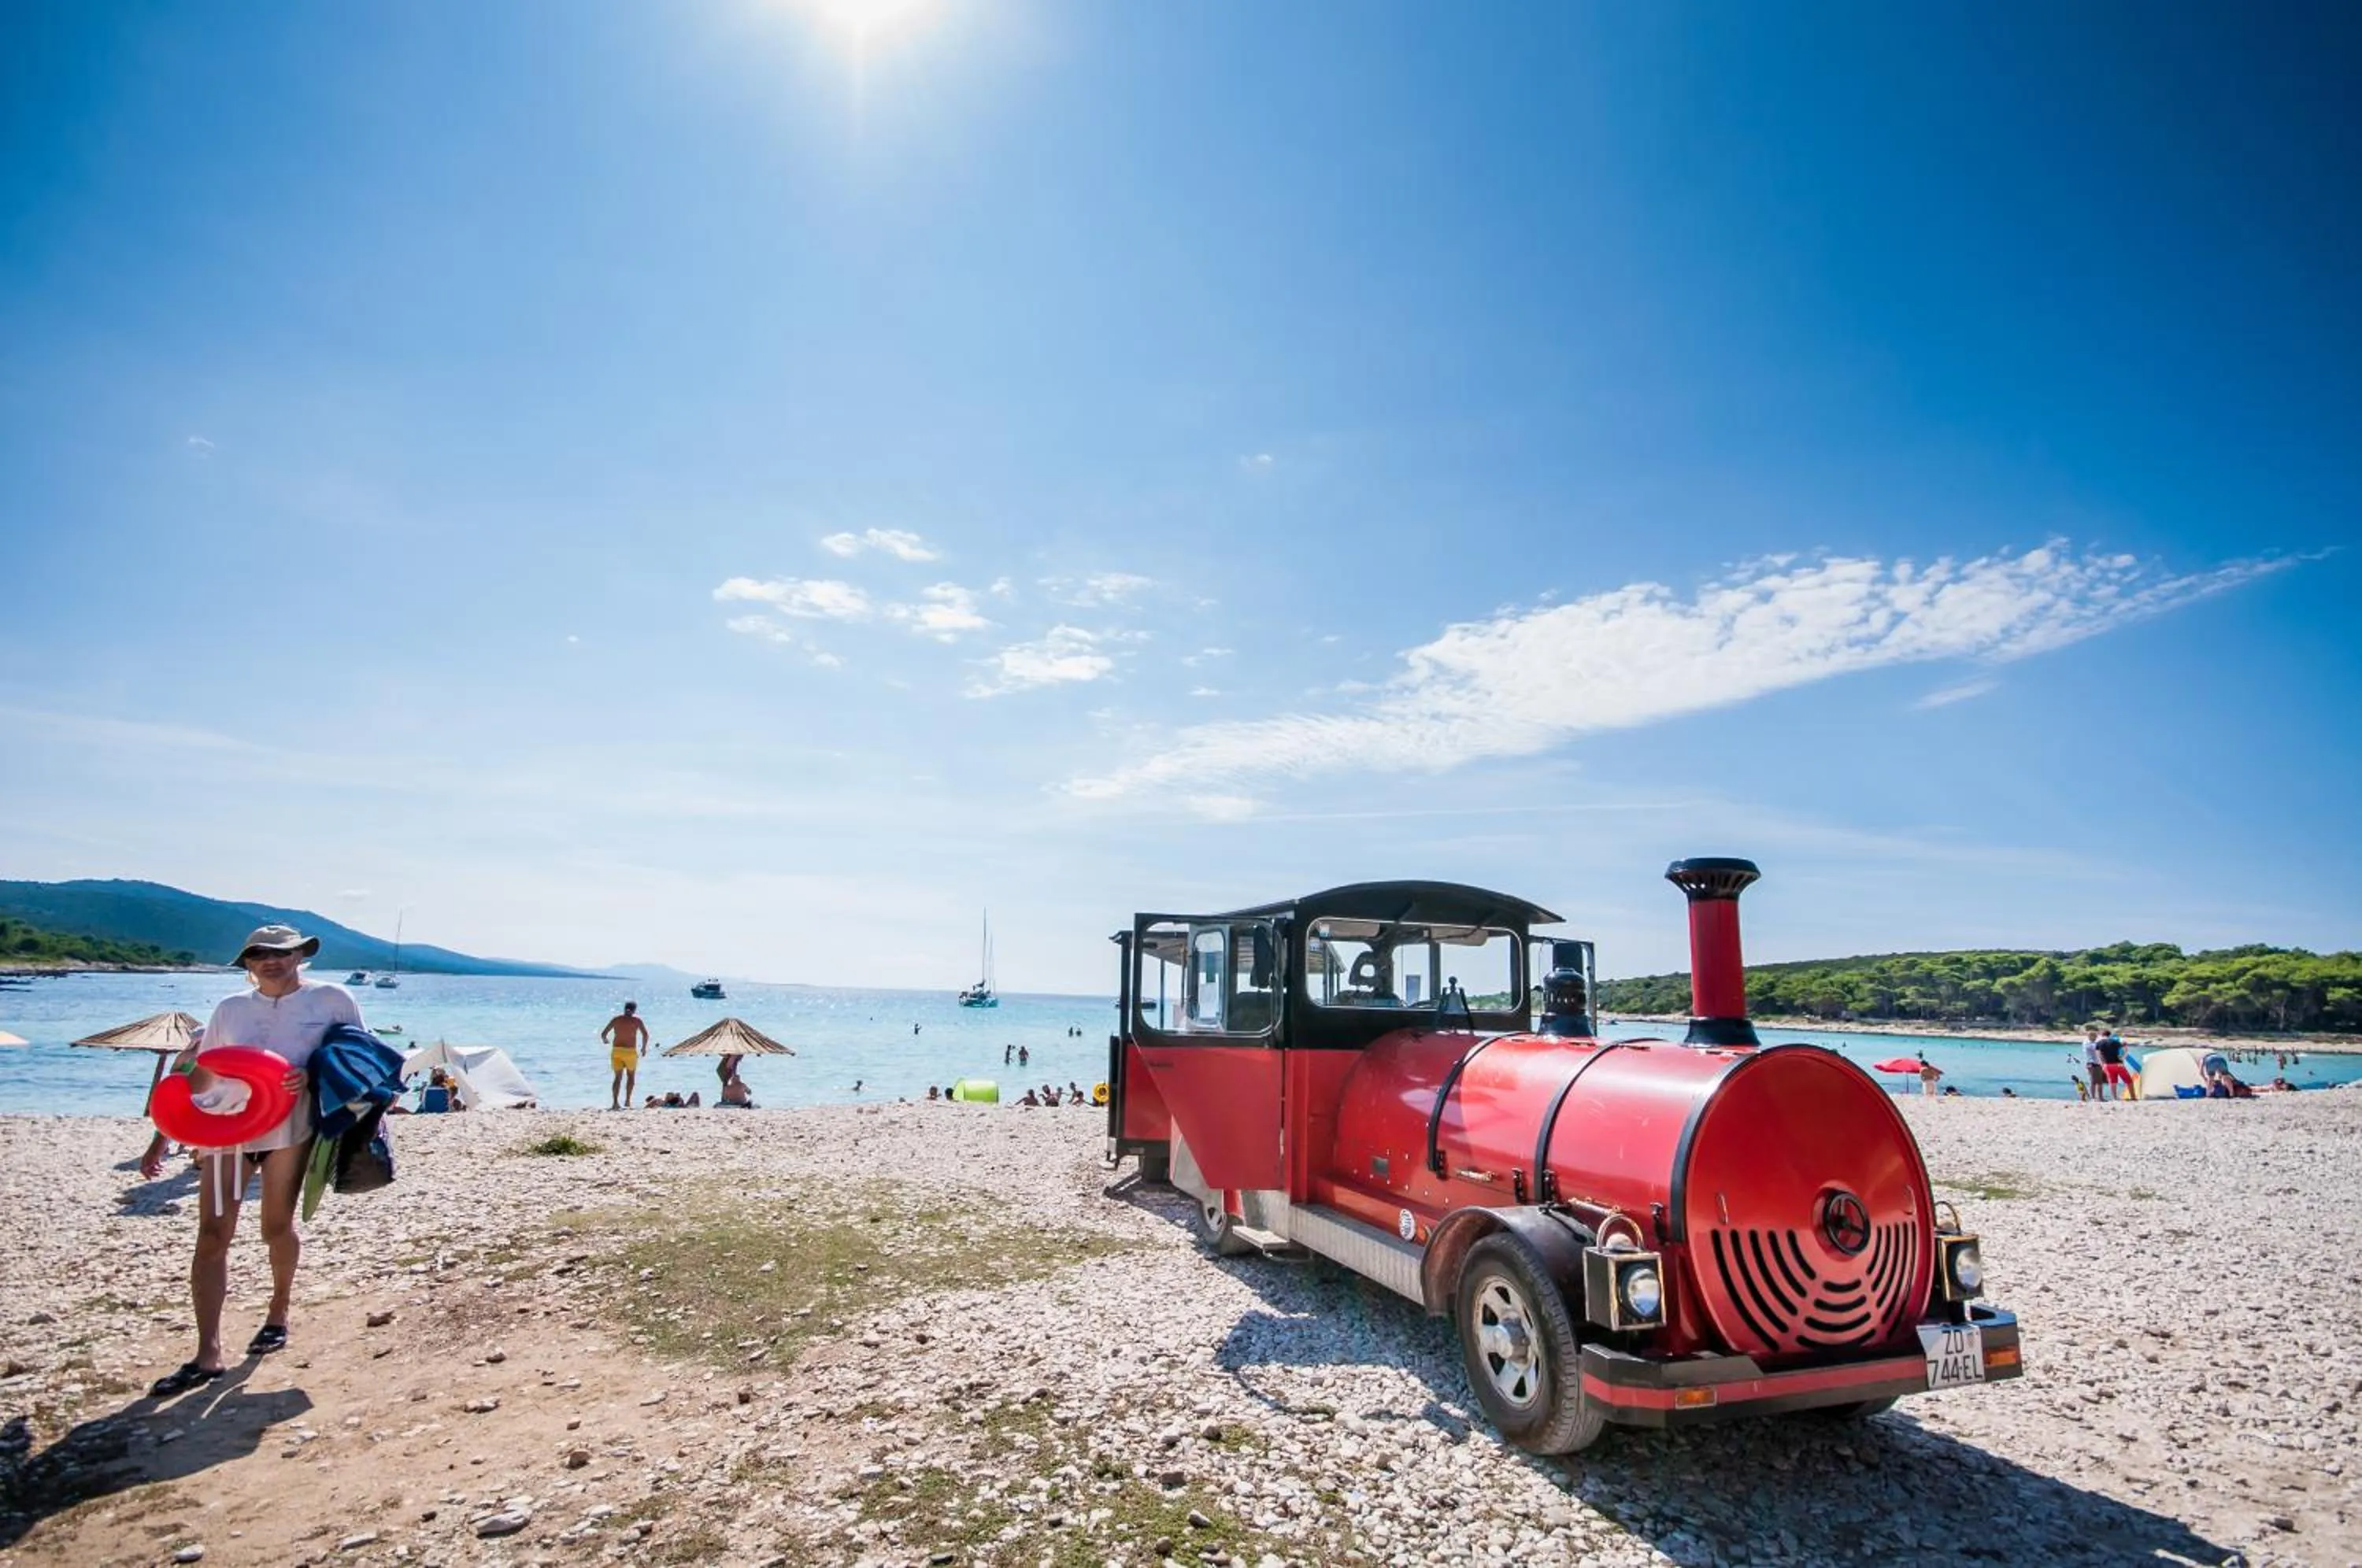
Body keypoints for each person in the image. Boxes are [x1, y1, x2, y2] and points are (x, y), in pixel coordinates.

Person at [148, 925, 361, 1397]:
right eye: (258, 954)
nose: (271, 960)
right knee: (212, 1234)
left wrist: (313, 1074)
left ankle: (278, 1311)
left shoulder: (331, 1000)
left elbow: (355, 1057)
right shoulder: (230, 1009)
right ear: (247, 963)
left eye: (282, 952)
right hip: (227, 1128)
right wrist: (165, 1132)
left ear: (299, 956)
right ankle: (208, 1352)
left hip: (289, 1130)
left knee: (275, 1228)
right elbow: (202, 1075)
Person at [603, 1002, 652, 1111]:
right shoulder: (637, 1021)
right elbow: (645, 1035)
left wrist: (605, 1040)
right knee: (631, 1076)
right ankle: (627, 1101)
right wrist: (643, 1048)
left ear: (625, 1009)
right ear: (634, 1010)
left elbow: (604, 1033)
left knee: (617, 1078)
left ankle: (615, 1103)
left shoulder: (616, 1019)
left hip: (617, 1051)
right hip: (630, 1052)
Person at [2096, 1030, 2138, 1100]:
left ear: (2102, 1036)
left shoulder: (2099, 1043)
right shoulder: (2115, 1042)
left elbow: (2098, 1054)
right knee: (2128, 1081)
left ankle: (2114, 1098)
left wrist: (2102, 1064)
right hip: (2118, 1064)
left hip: (2107, 1065)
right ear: (2110, 1035)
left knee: (2112, 1082)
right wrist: (2122, 1057)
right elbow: (2126, 1049)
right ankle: (2133, 1097)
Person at [2079, 1026, 2108, 1101]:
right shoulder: (2088, 1044)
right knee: (2094, 1081)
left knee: (2099, 1081)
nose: (2096, 1038)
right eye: (2095, 1036)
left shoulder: (2091, 1042)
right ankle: (2095, 1098)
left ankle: (2098, 1097)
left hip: (2095, 1064)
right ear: (2091, 1036)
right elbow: (2097, 1047)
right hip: (2093, 1064)